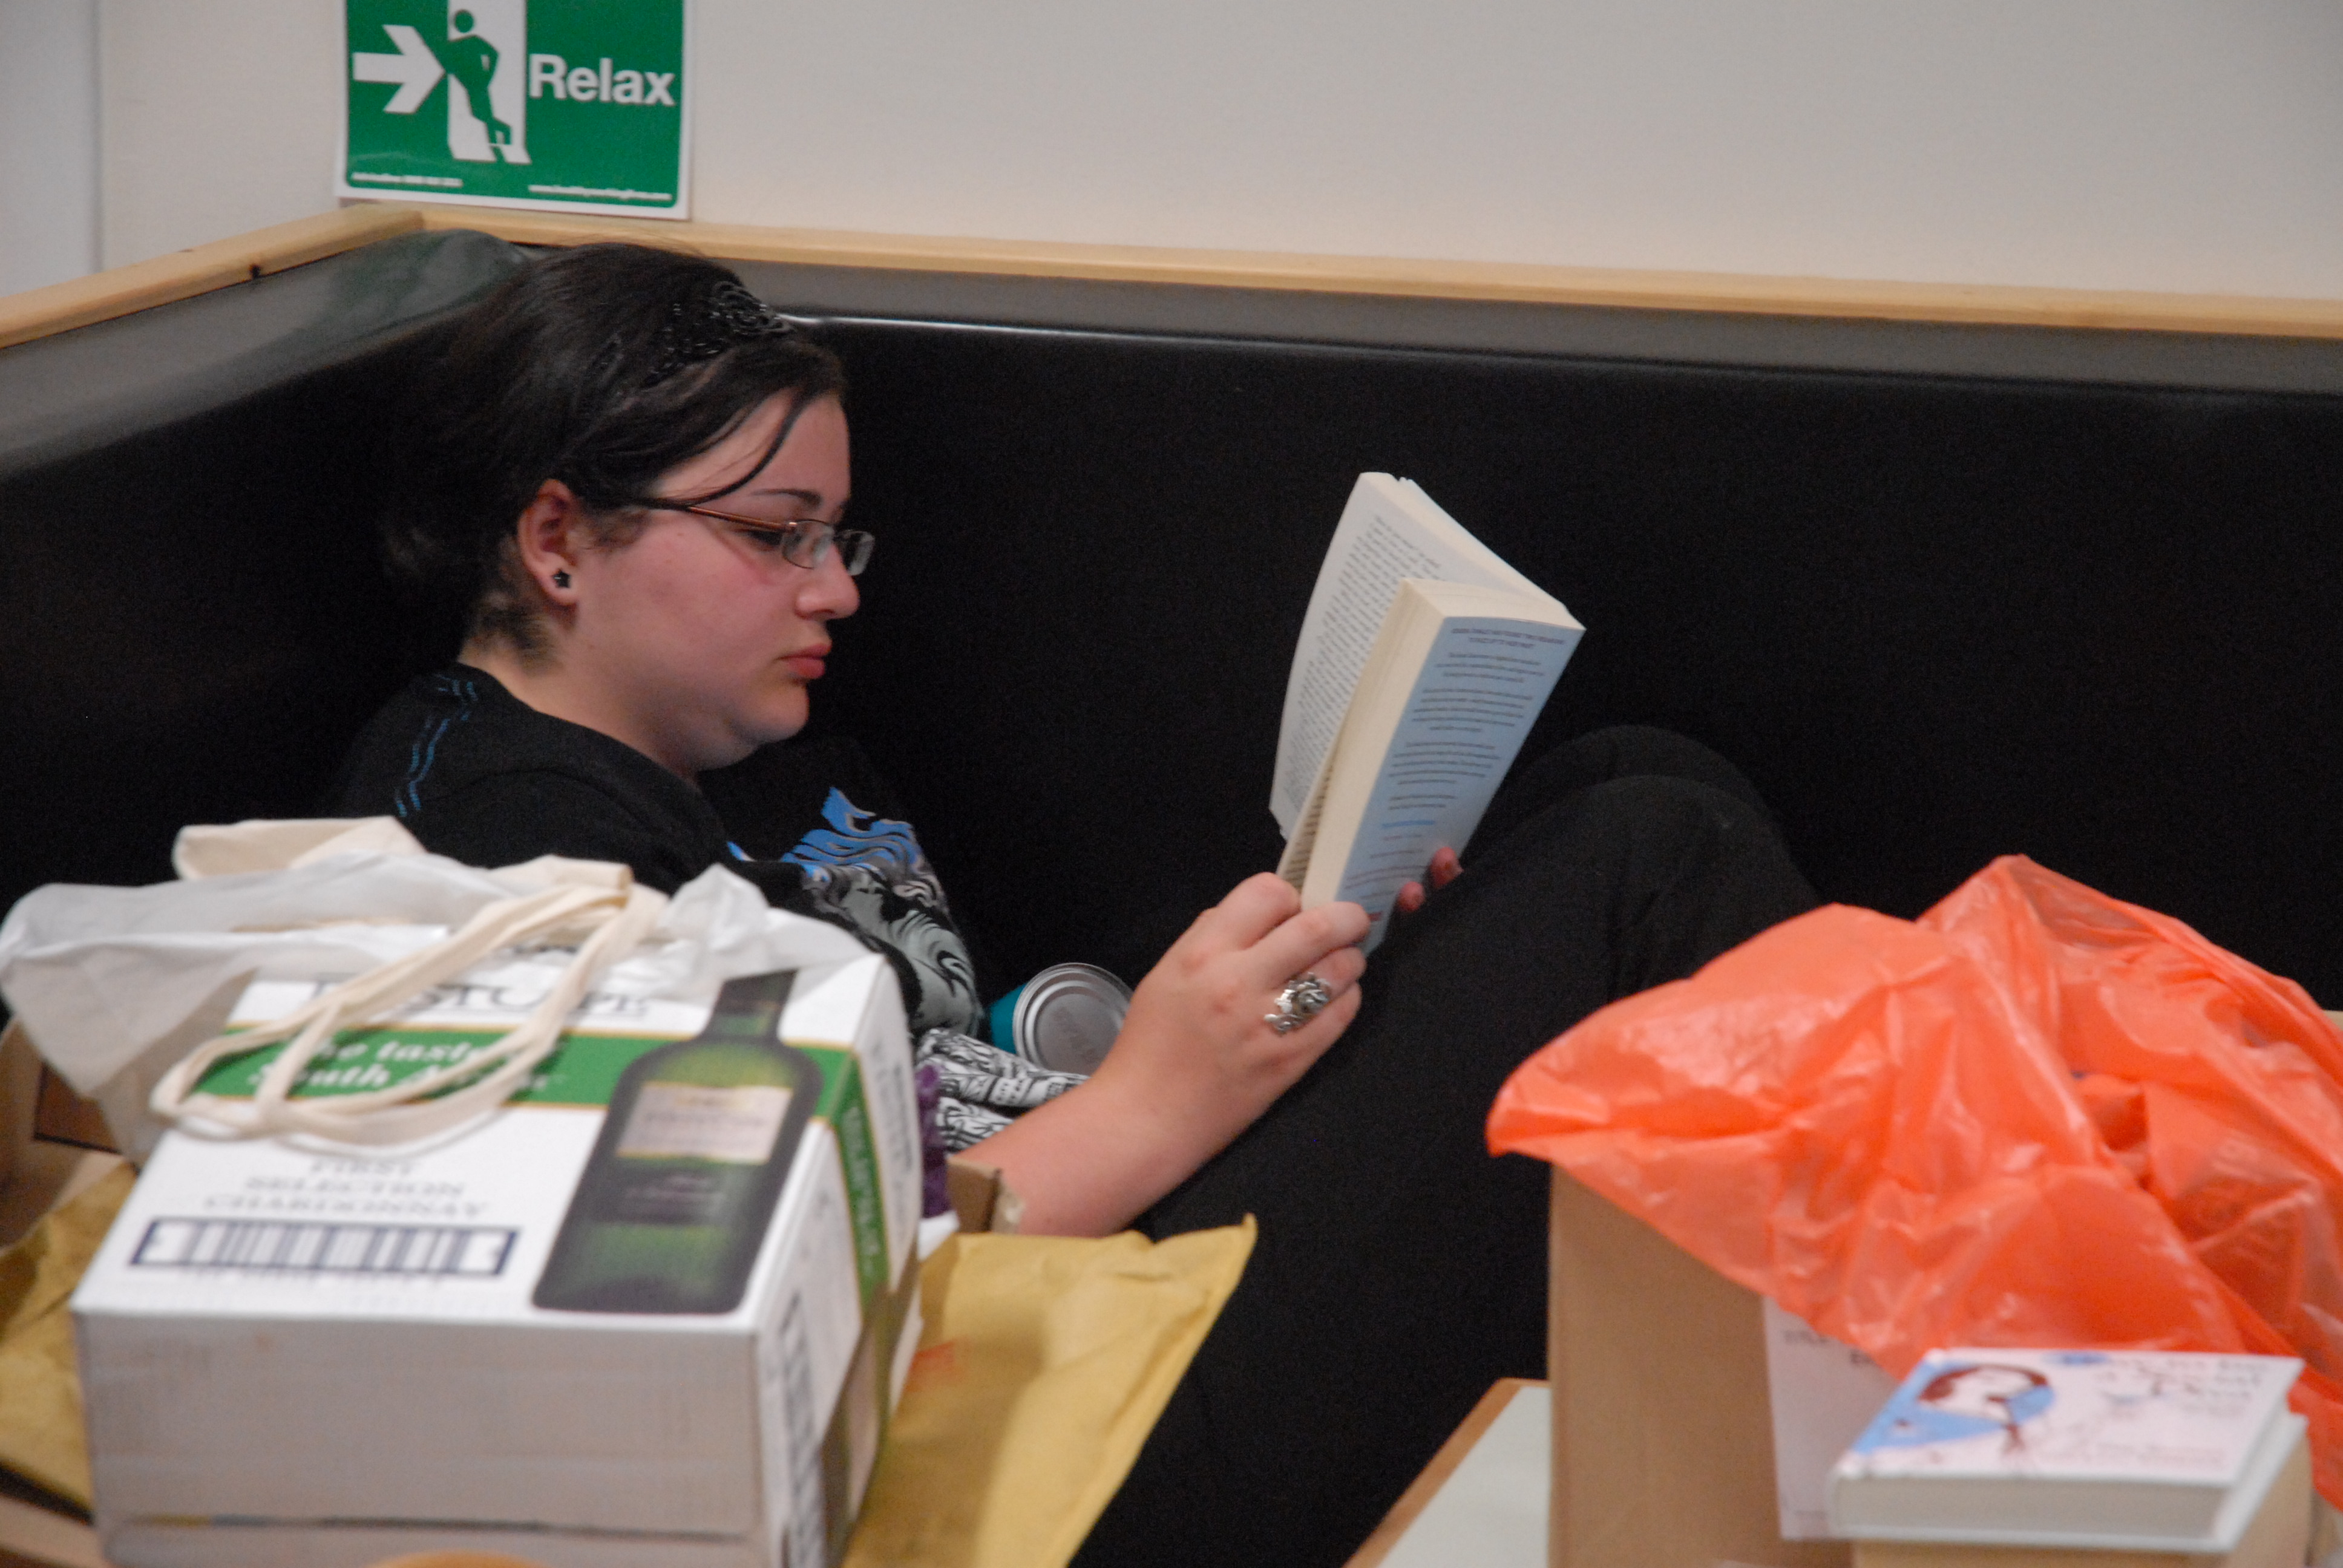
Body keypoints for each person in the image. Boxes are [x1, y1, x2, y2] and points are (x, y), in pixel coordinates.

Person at [332, 243, 1818, 1567]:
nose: (832, 591)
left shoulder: (766, 751)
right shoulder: (496, 841)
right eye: (775, 534)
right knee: (1651, 858)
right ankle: (1881, 1462)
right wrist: (1161, 1097)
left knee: (1633, 777)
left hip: (1094, 1263)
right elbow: (740, 1302)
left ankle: (1809, 1464)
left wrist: (1321, 957)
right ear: (556, 541)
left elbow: (963, 1054)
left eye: (836, 537)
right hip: (1000, 1429)